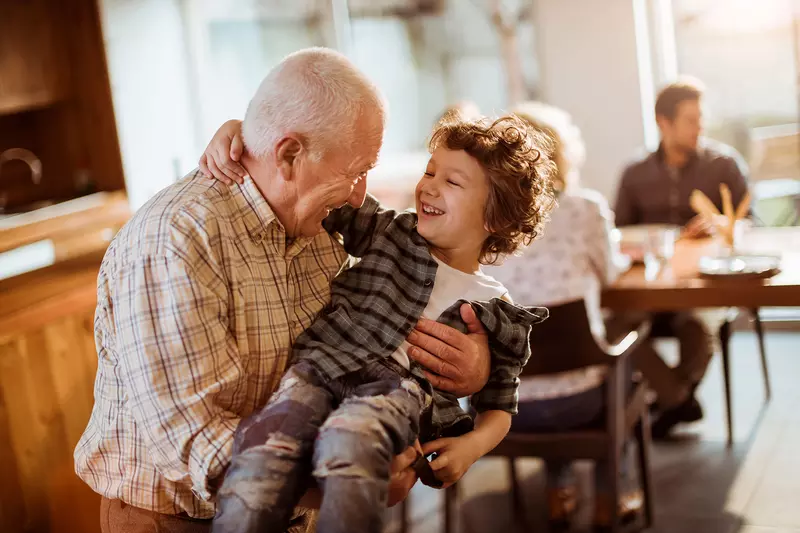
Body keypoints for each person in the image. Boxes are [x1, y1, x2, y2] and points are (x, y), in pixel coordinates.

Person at [74, 48, 494, 533]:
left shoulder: (321, 215)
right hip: (178, 521)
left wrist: (474, 366)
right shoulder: (175, 238)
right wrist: (348, 481)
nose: (362, 193)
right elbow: (189, 440)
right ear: (290, 155)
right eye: (355, 171)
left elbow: (412, 289)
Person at [203, 113, 555, 533]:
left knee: (352, 449)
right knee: (263, 455)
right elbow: (324, 191)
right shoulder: (388, 230)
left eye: (452, 182)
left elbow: (500, 406)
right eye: (430, 171)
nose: (428, 185)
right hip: (319, 366)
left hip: (396, 393)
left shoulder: (496, 307)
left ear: (494, 218)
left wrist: (470, 447)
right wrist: (246, 134)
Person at [486, 102, 643, 530]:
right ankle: (614, 495)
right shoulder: (584, 208)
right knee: (621, 367)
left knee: (539, 356)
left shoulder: (487, 221)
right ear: (560, 156)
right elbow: (608, 273)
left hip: (502, 410)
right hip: (580, 405)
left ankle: (559, 493)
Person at [614, 78, 750, 438]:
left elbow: (752, 223)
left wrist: (722, 224)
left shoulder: (724, 165)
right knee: (617, 326)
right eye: (691, 120)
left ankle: (669, 398)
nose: (699, 128)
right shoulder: (635, 173)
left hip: (704, 282)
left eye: (701, 119)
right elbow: (618, 234)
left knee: (697, 326)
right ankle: (677, 398)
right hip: (650, 285)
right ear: (664, 122)